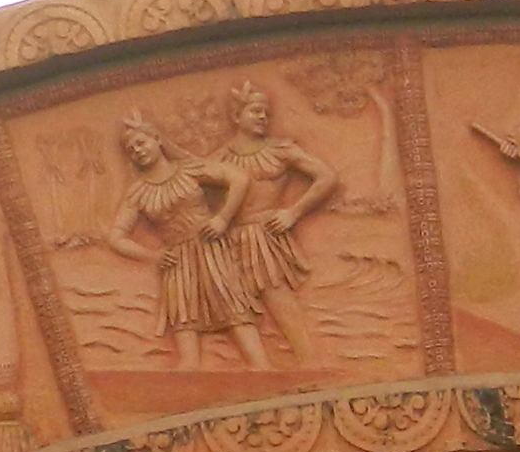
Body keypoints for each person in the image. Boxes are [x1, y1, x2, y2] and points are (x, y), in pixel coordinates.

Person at [102, 116, 268, 372]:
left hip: (210, 247)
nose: (137, 151)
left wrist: (223, 218)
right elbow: (116, 236)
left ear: (157, 139)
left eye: (141, 143)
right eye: (131, 150)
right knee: (184, 313)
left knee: (231, 300)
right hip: (177, 259)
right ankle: (189, 367)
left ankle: (260, 365)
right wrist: (153, 256)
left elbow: (239, 179)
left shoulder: (189, 169)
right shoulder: (139, 192)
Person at [205, 80, 341, 363]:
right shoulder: (221, 158)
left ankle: (307, 358)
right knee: (235, 303)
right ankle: (260, 367)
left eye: (265, 112)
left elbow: (326, 176)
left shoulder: (280, 150)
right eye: (255, 111)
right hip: (231, 238)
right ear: (236, 116)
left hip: (264, 234)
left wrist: (293, 212)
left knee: (275, 293)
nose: (262, 117)